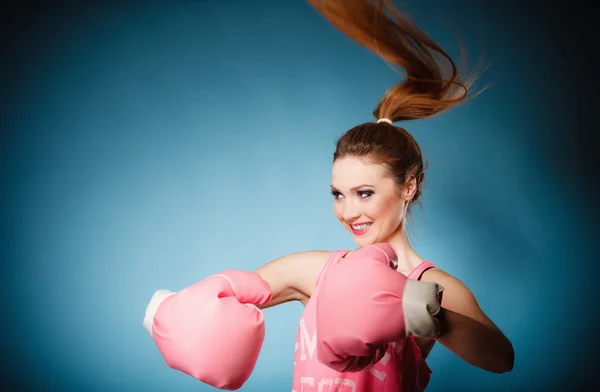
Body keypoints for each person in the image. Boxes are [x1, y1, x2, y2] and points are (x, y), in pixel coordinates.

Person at [143, 1, 514, 391]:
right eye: (338, 194)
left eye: (364, 193)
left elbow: (500, 358)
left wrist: (418, 311)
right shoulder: (314, 271)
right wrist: (167, 312)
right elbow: (225, 298)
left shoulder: (430, 286)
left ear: (409, 186)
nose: (349, 211)